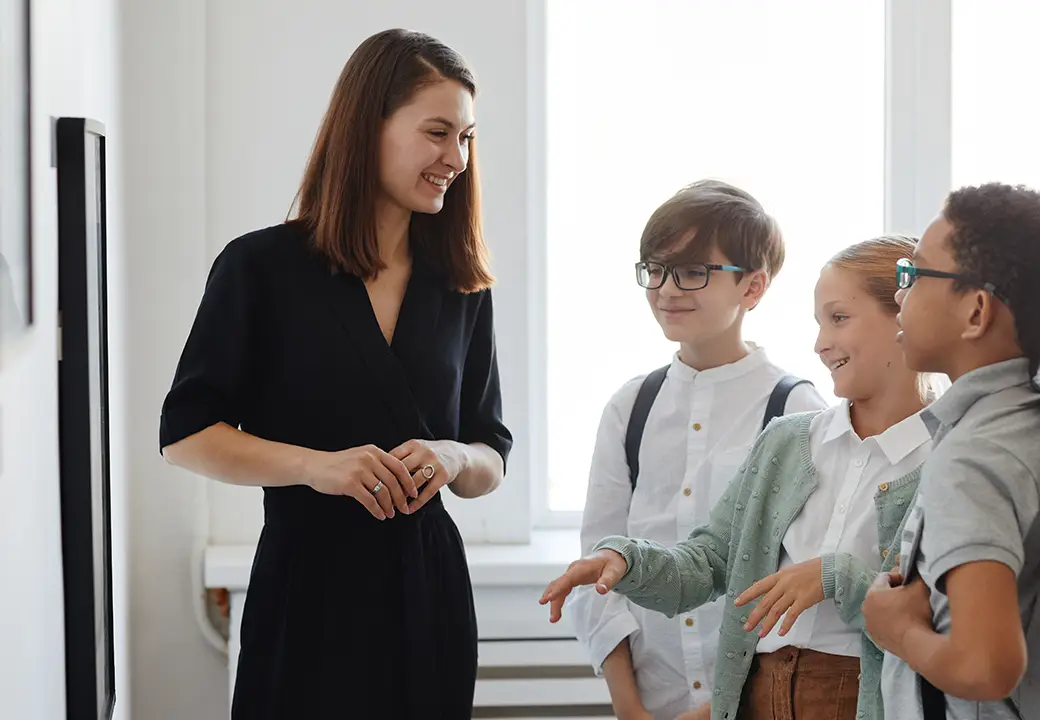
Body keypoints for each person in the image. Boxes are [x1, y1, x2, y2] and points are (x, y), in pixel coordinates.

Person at [158, 29, 511, 720]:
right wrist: (316, 467)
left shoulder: (462, 285)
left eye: (466, 137)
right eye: (438, 133)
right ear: (368, 126)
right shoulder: (259, 269)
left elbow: (491, 453)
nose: (455, 159)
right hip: (306, 591)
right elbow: (185, 433)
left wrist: (451, 454)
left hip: (428, 594)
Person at [544, 236, 936, 720]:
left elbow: (937, 617)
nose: (819, 344)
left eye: (839, 318)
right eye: (818, 323)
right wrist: (627, 562)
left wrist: (834, 576)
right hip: (757, 699)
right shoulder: (787, 441)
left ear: (905, 315)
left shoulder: (944, 459)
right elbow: (708, 561)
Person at [564, 180, 828, 720]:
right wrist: (629, 707)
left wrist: (717, 707)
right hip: (648, 698)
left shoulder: (798, 408)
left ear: (752, 288)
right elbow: (599, 568)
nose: (665, 289)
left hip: (758, 701)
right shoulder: (630, 406)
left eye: (692, 272)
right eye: (655, 270)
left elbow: (801, 579)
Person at [862, 183, 1040, 720]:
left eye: (915, 273)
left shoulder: (975, 455)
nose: (900, 293)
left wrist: (895, 628)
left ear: (975, 312)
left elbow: (985, 665)